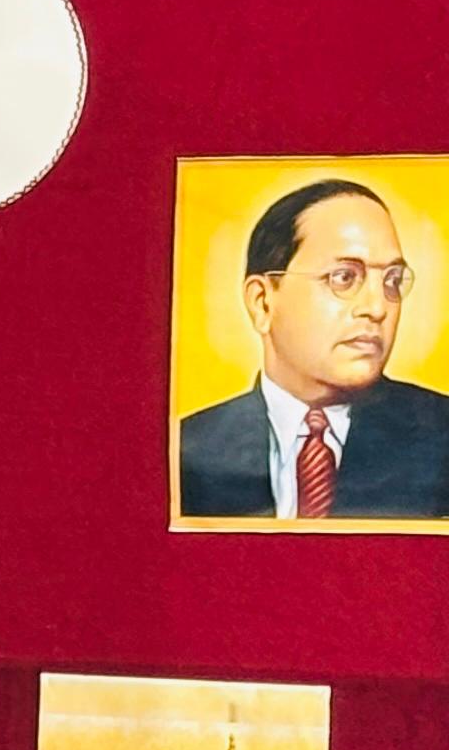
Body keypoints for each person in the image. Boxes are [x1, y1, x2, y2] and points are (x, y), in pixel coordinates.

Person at [176, 178, 448, 519]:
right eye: (344, 277)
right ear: (263, 302)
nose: (378, 308)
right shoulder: (183, 451)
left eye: (392, 280)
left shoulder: (441, 437)